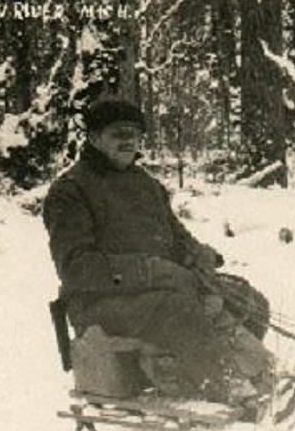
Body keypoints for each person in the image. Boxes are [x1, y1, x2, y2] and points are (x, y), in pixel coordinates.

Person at [43, 99, 276, 408]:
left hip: (155, 291)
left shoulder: (146, 184)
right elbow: (76, 268)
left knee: (244, 296)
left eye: (134, 133)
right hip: (98, 304)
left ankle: (230, 370)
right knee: (176, 308)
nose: (128, 140)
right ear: (95, 138)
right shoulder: (70, 191)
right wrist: (151, 270)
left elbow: (176, 235)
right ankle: (227, 388)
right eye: (117, 133)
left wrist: (198, 254)